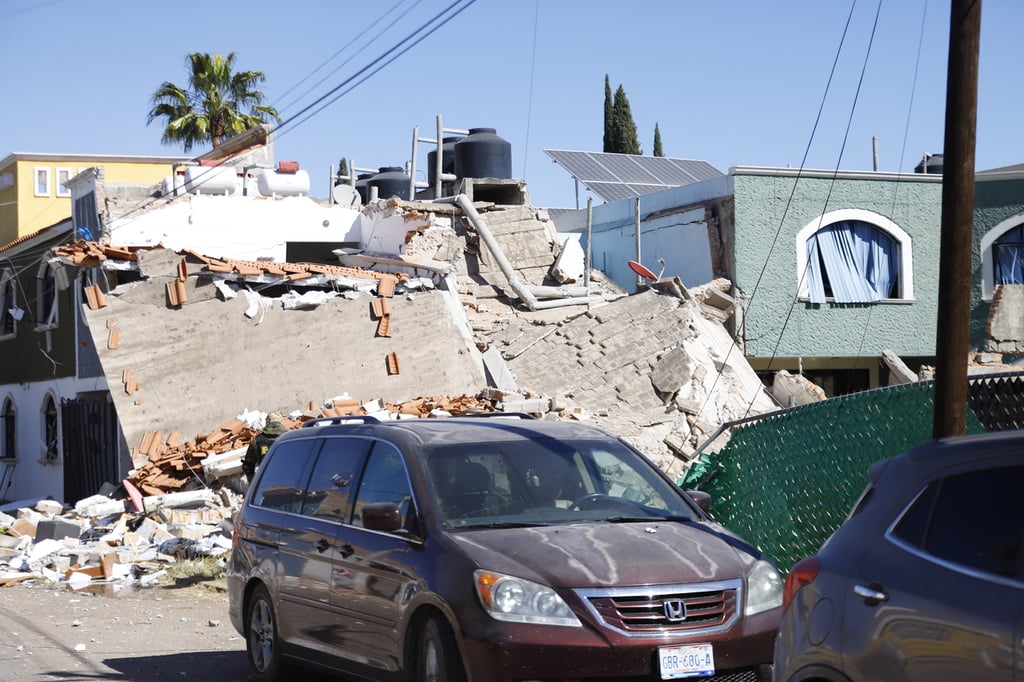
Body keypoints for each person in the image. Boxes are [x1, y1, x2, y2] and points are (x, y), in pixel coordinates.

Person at [241, 413, 288, 478]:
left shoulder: (257, 440)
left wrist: (253, 485)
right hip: (291, 482)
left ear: (267, 423)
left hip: (266, 483)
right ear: (281, 423)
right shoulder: (292, 438)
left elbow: (248, 467)